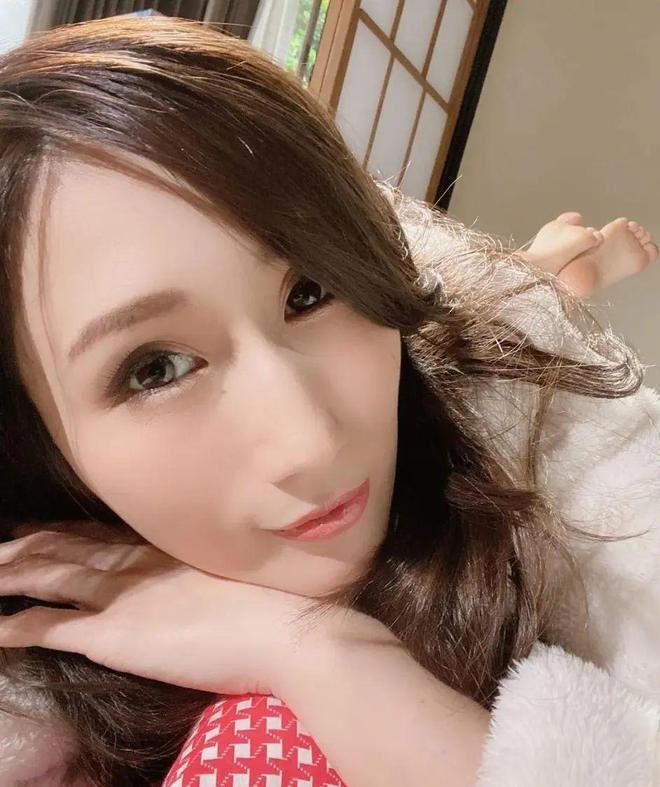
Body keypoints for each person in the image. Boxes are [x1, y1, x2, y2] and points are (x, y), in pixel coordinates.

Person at [0, 14, 657, 787]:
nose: (309, 438)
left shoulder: (532, 460)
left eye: (309, 290)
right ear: (36, 443)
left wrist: (314, 649)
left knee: (492, 320)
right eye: (156, 369)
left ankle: (547, 277)